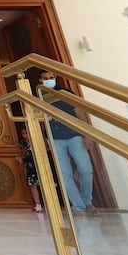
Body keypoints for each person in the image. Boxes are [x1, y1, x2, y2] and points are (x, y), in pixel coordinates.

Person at [38, 70, 98, 215]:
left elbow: (79, 111)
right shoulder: (38, 96)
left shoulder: (65, 92)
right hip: (54, 138)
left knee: (85, 169)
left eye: (51, 77)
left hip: (74, 136)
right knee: (65, 174)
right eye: (45, 78)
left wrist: (87, 134)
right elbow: (38, 119)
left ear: (55, 78)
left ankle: (87, 202)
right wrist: (43, 139)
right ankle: (78, 207)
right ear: (40, 80)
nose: (49, 80)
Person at [16, 127, 43, 212]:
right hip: (29, 166)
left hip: (39, 164)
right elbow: (24, 153)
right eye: (23, 134)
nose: (25, 136)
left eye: (26, 133)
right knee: (32, 185)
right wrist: (21, 159)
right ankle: (38, 204)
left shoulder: (37, 140)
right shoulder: (23, 143)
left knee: (44, 183)